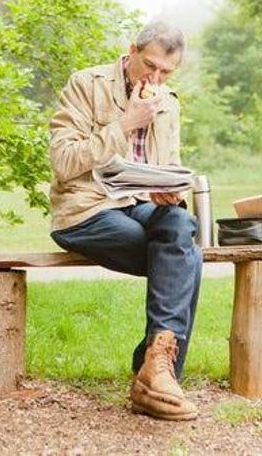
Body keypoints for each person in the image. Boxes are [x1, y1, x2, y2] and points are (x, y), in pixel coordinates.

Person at [48, 21, 202, 421]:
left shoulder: (168, 102)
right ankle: (155, 375)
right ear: (131, 50)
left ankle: (154, 372)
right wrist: (125, 124)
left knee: (180, 225)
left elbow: (165, 167)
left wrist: (170, 191)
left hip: (140, 205)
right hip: (87, 210)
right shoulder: (86, 83)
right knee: (186, 257)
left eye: (166, 72)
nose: (155, 79)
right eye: (148, 65)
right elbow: (64, 163)